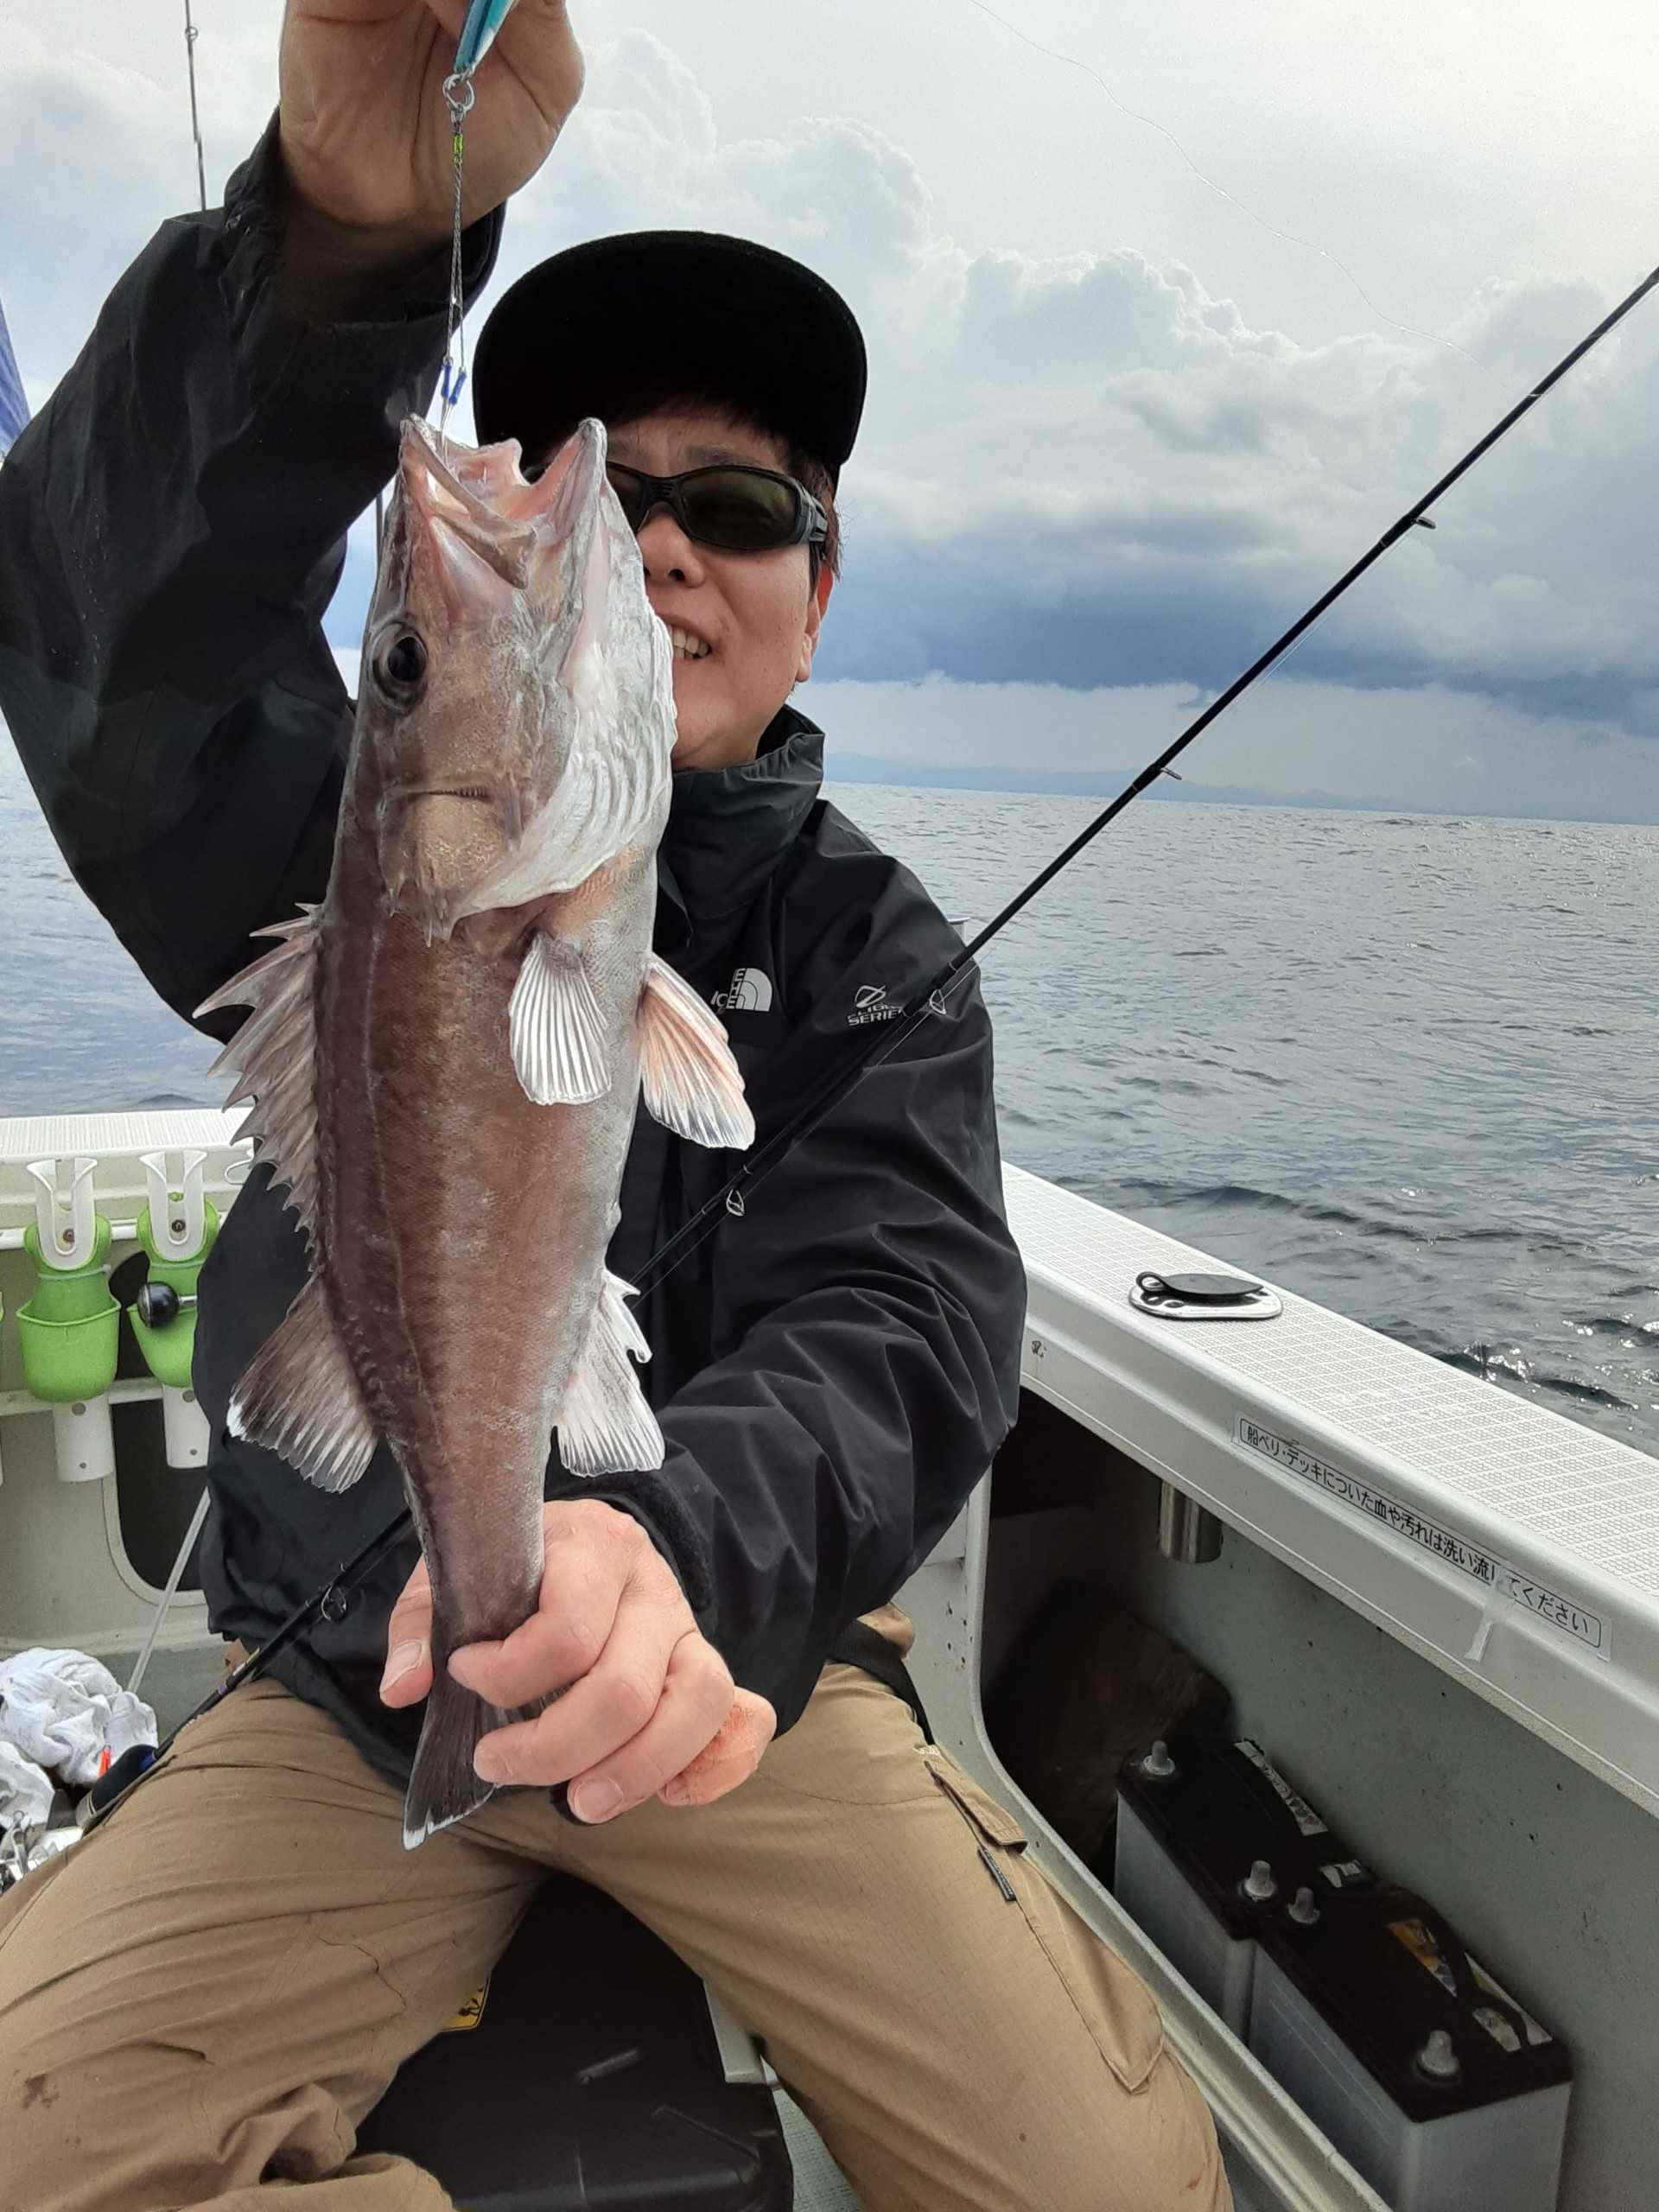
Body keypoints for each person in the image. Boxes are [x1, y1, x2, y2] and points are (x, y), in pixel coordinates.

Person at [0, 6, 1230, 2207]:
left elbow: (906, 1324)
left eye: (736, 506)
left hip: (739, 1681)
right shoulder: (331, 846)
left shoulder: (874, 953)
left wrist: (663, 1558)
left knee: (1115, 2183)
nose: (654, 538)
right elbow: (115, 625)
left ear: (819, 589)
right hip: (347, 1677)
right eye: (606, 480)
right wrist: (336, 247)